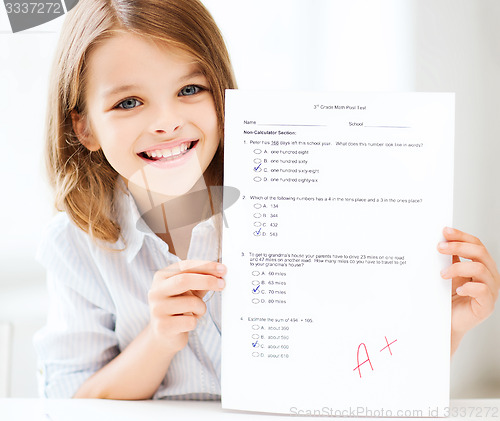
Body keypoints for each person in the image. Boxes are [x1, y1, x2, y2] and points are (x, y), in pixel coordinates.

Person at [34, 0, 499, 401]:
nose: (166, 122)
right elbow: (72, 399)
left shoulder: (295, 196)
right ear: (84, 127)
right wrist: (159, 339)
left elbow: (366, 368)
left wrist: (446, 326)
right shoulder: (76, 244)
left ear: (222, 95)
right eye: (129, 102)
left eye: (190, 90)